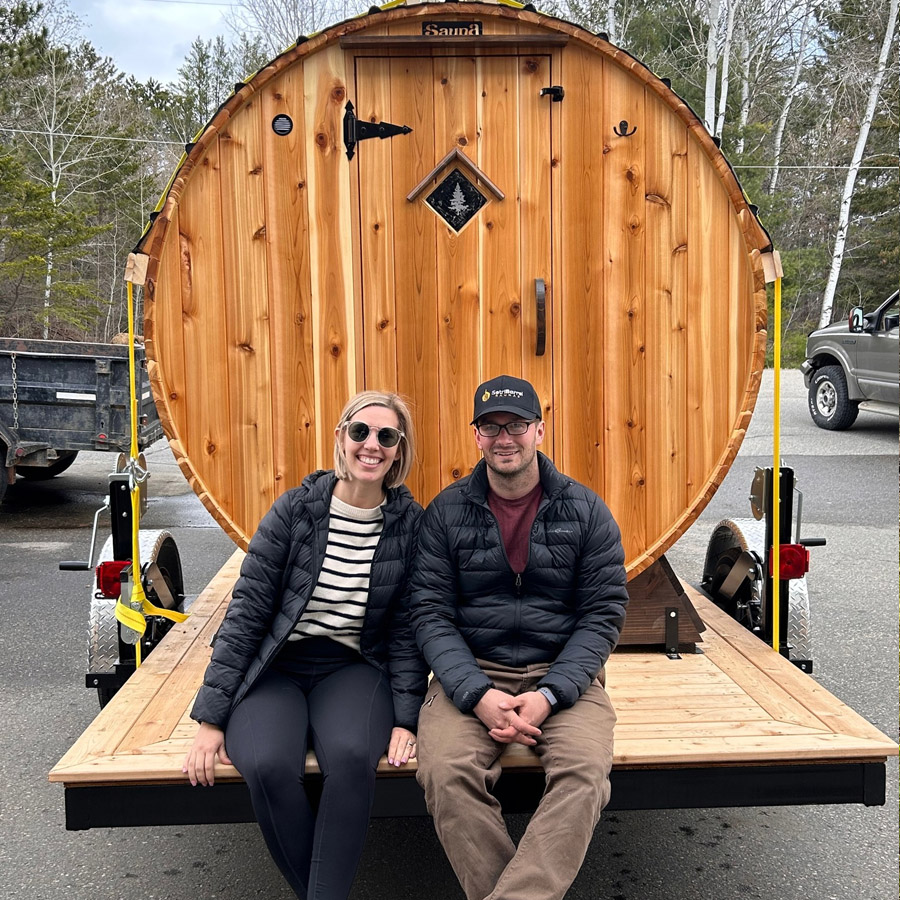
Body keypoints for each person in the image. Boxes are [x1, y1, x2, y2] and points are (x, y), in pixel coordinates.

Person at [183, 390, 427, 900]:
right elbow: (246, 615)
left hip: (353, 667)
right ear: (340, 438)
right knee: (269, 764)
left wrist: (406, 717)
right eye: (360, 431)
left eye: (387, 436)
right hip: (277, 665)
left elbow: (408, 631)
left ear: (399, 450)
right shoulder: (295, 512)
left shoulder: (409, 525)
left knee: (353, 755)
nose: (372, 445)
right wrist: (211, 720)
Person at [410, 374, 629, 900]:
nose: (504, 438)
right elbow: (430, 613)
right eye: (490, 426)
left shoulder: (587, 510)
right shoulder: (445, 513)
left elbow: (602, 615)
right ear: (477, 437)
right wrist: (475, 694)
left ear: (540, 430)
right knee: (444, 770)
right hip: (473, 674)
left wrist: (552, 693)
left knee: (583, 774)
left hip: (563, 677)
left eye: (516, 425)